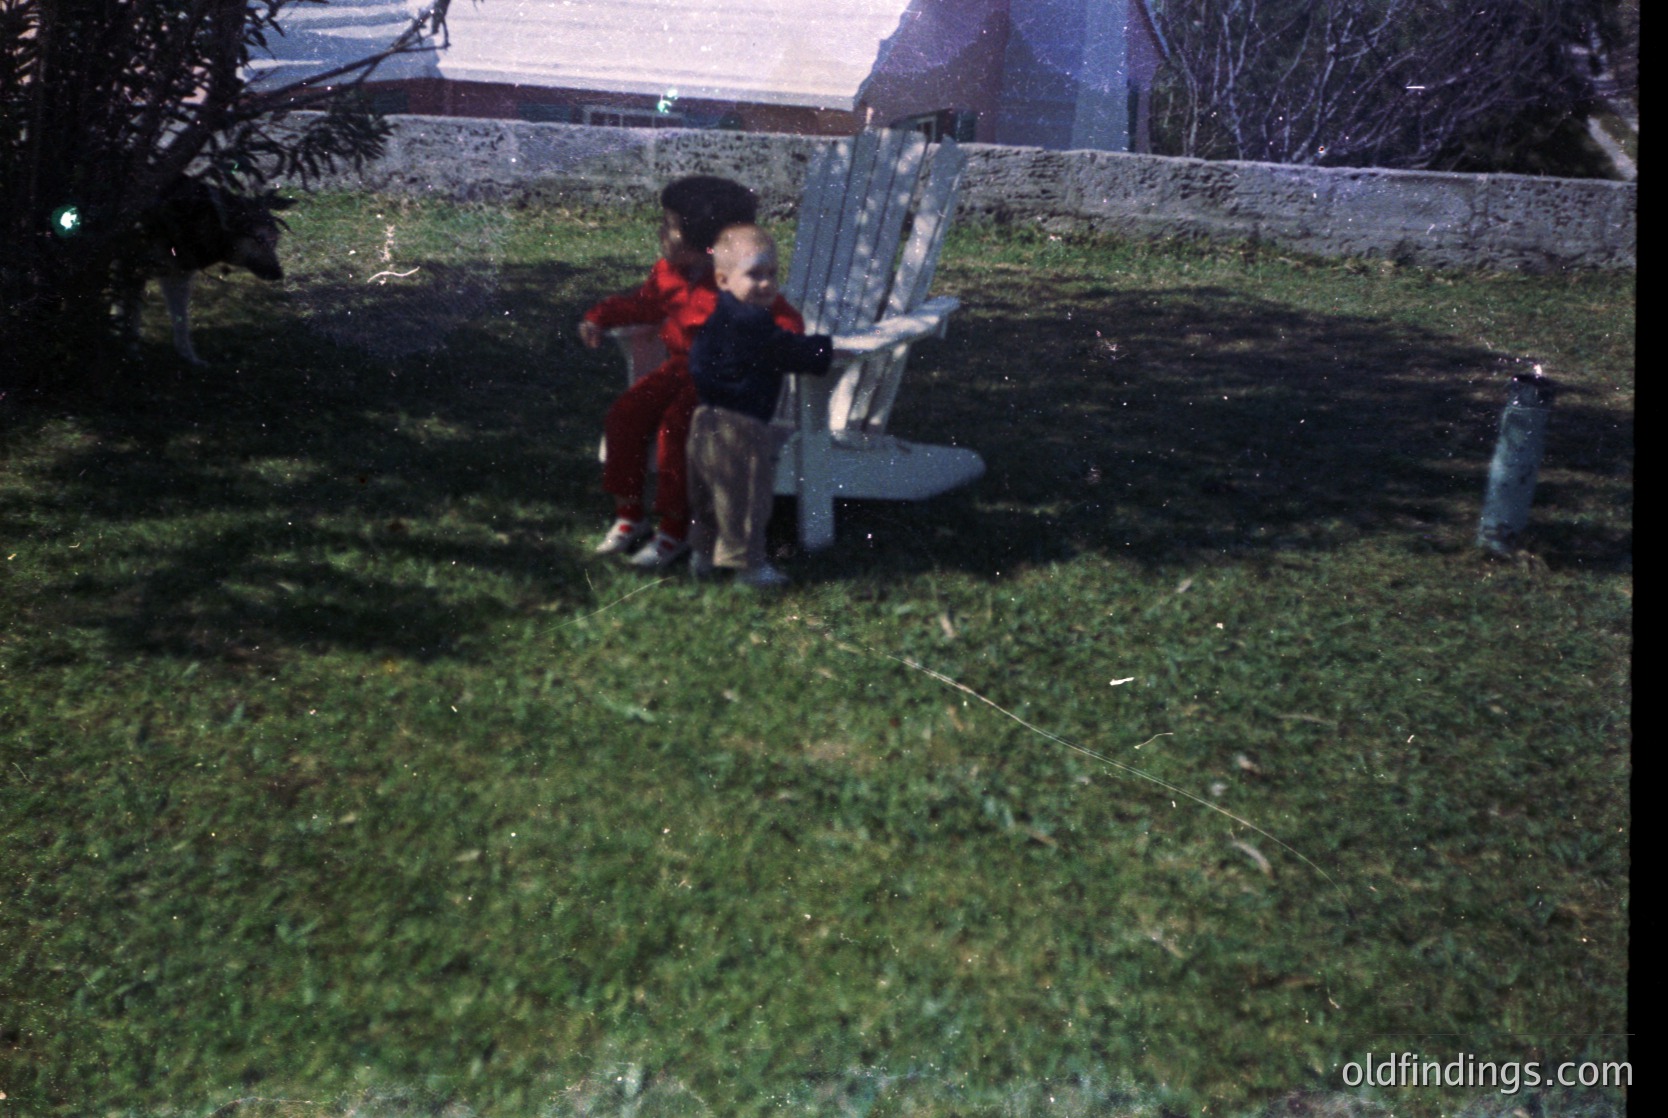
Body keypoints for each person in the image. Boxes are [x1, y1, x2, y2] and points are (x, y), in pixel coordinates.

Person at [577, 175, 762, 567]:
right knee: (625, 415)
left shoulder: (734, 283)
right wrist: (600, 317)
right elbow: (643, 306)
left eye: (670, 226)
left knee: (675, 429)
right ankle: (631, 516)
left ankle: (675, 530)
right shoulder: (668, 272)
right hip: (679, 369)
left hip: (719, 380)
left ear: (702, 238)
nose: (662, 231)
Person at [687, 224, 834, 588]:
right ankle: (748, 567)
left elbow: (697, 361)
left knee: (709, 494)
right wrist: (826, 348)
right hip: (742, 428)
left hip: (704, 420)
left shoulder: (720, 317)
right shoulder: (752, 323)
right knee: (745, 498)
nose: (766, 283)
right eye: (755, 274)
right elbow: (788, 350)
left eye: (772, 274)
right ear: (723, 279)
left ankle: (702, 555)